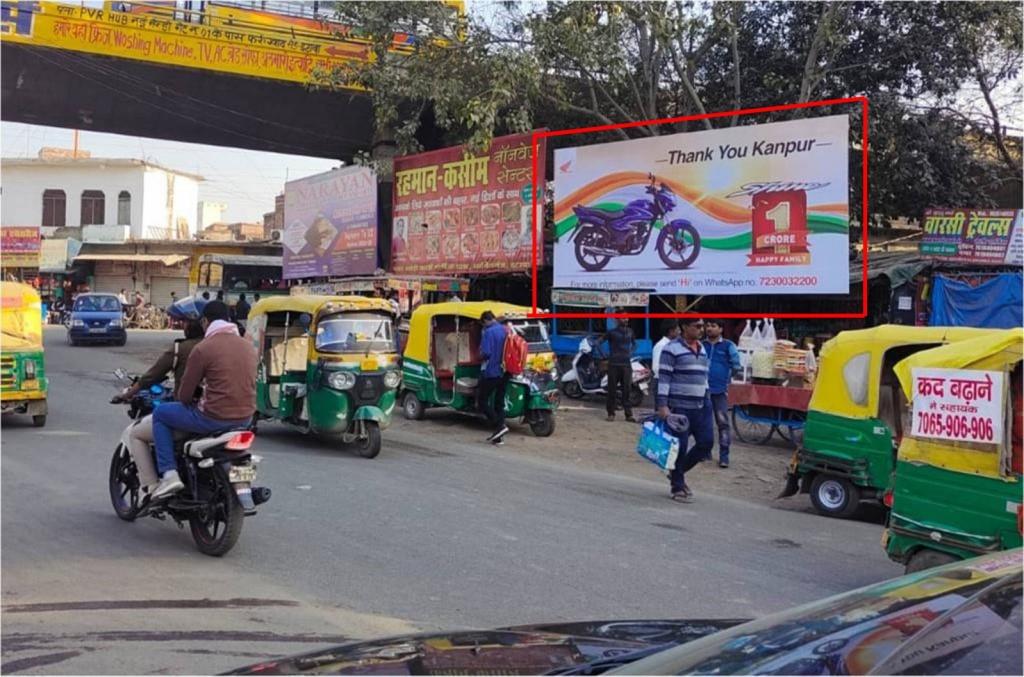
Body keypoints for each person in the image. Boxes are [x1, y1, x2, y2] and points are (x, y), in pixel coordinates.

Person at [150, 301, 257, 499]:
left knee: (161, 414)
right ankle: (242, 486)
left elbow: (184, 396)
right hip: (245, 419)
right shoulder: (248, 345)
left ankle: (169, 473)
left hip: (212, 418)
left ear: (205, 322)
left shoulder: (203, 348)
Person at [118, 318, 205, 495]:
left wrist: (127, 394)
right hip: (236, 418)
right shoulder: (225, 348)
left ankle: (157, 483)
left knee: (144, 428)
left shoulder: (181, 349)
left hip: (196, 413)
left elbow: (151, 377)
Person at [657, 317, 713, 503]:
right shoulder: (671, 349)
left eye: (702, 326)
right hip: (679, 407)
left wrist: (707, 396)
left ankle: (675, 473)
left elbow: (704, 375)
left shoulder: (702, 348)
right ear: (684, 327)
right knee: (679, 448)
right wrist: (663, 405)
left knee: (706, 444)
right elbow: (664, 379)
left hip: (702, 405)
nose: (701, 329)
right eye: (697, 326)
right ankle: (677, 486)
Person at [704, 320, 742, 468]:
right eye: (708, 325)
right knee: (704, 423)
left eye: (713, 326)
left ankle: (724, 456)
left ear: (720, 329)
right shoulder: (701, 345)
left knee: (722, 423)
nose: (709, 328)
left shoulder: (728, 346)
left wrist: (725, 380)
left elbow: (736, 366)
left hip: (720, 391)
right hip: (703, 390)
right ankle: (705, 452)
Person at [478, 310, 509, 445]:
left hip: (492, 371)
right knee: (499, 402)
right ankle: (499, 438)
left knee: (482, 400)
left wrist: (479, 354)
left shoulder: (488, 332)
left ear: (485, 321)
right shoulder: (505, 329)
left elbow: (486, 353)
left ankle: (499, 426)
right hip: (505, 371)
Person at [602, 312, 636, 422]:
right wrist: (604, 356)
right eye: (623, 318)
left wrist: (631, 352)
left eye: (626, 317)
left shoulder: (631, 331)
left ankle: (628, 415)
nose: (625, 319)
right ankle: (611, 413)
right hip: (613, 365)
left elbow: (634, 344)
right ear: (617, 320)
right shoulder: (611, 332)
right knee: (612, 390)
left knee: (627, 390)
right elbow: (598, 342)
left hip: (626, 365)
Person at [652, 319, 681, 401]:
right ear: (671, 331)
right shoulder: (661, 345)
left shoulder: (674, 345)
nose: (680, 332)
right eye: (678, 330)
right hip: (662, 383)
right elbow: (656, 368)